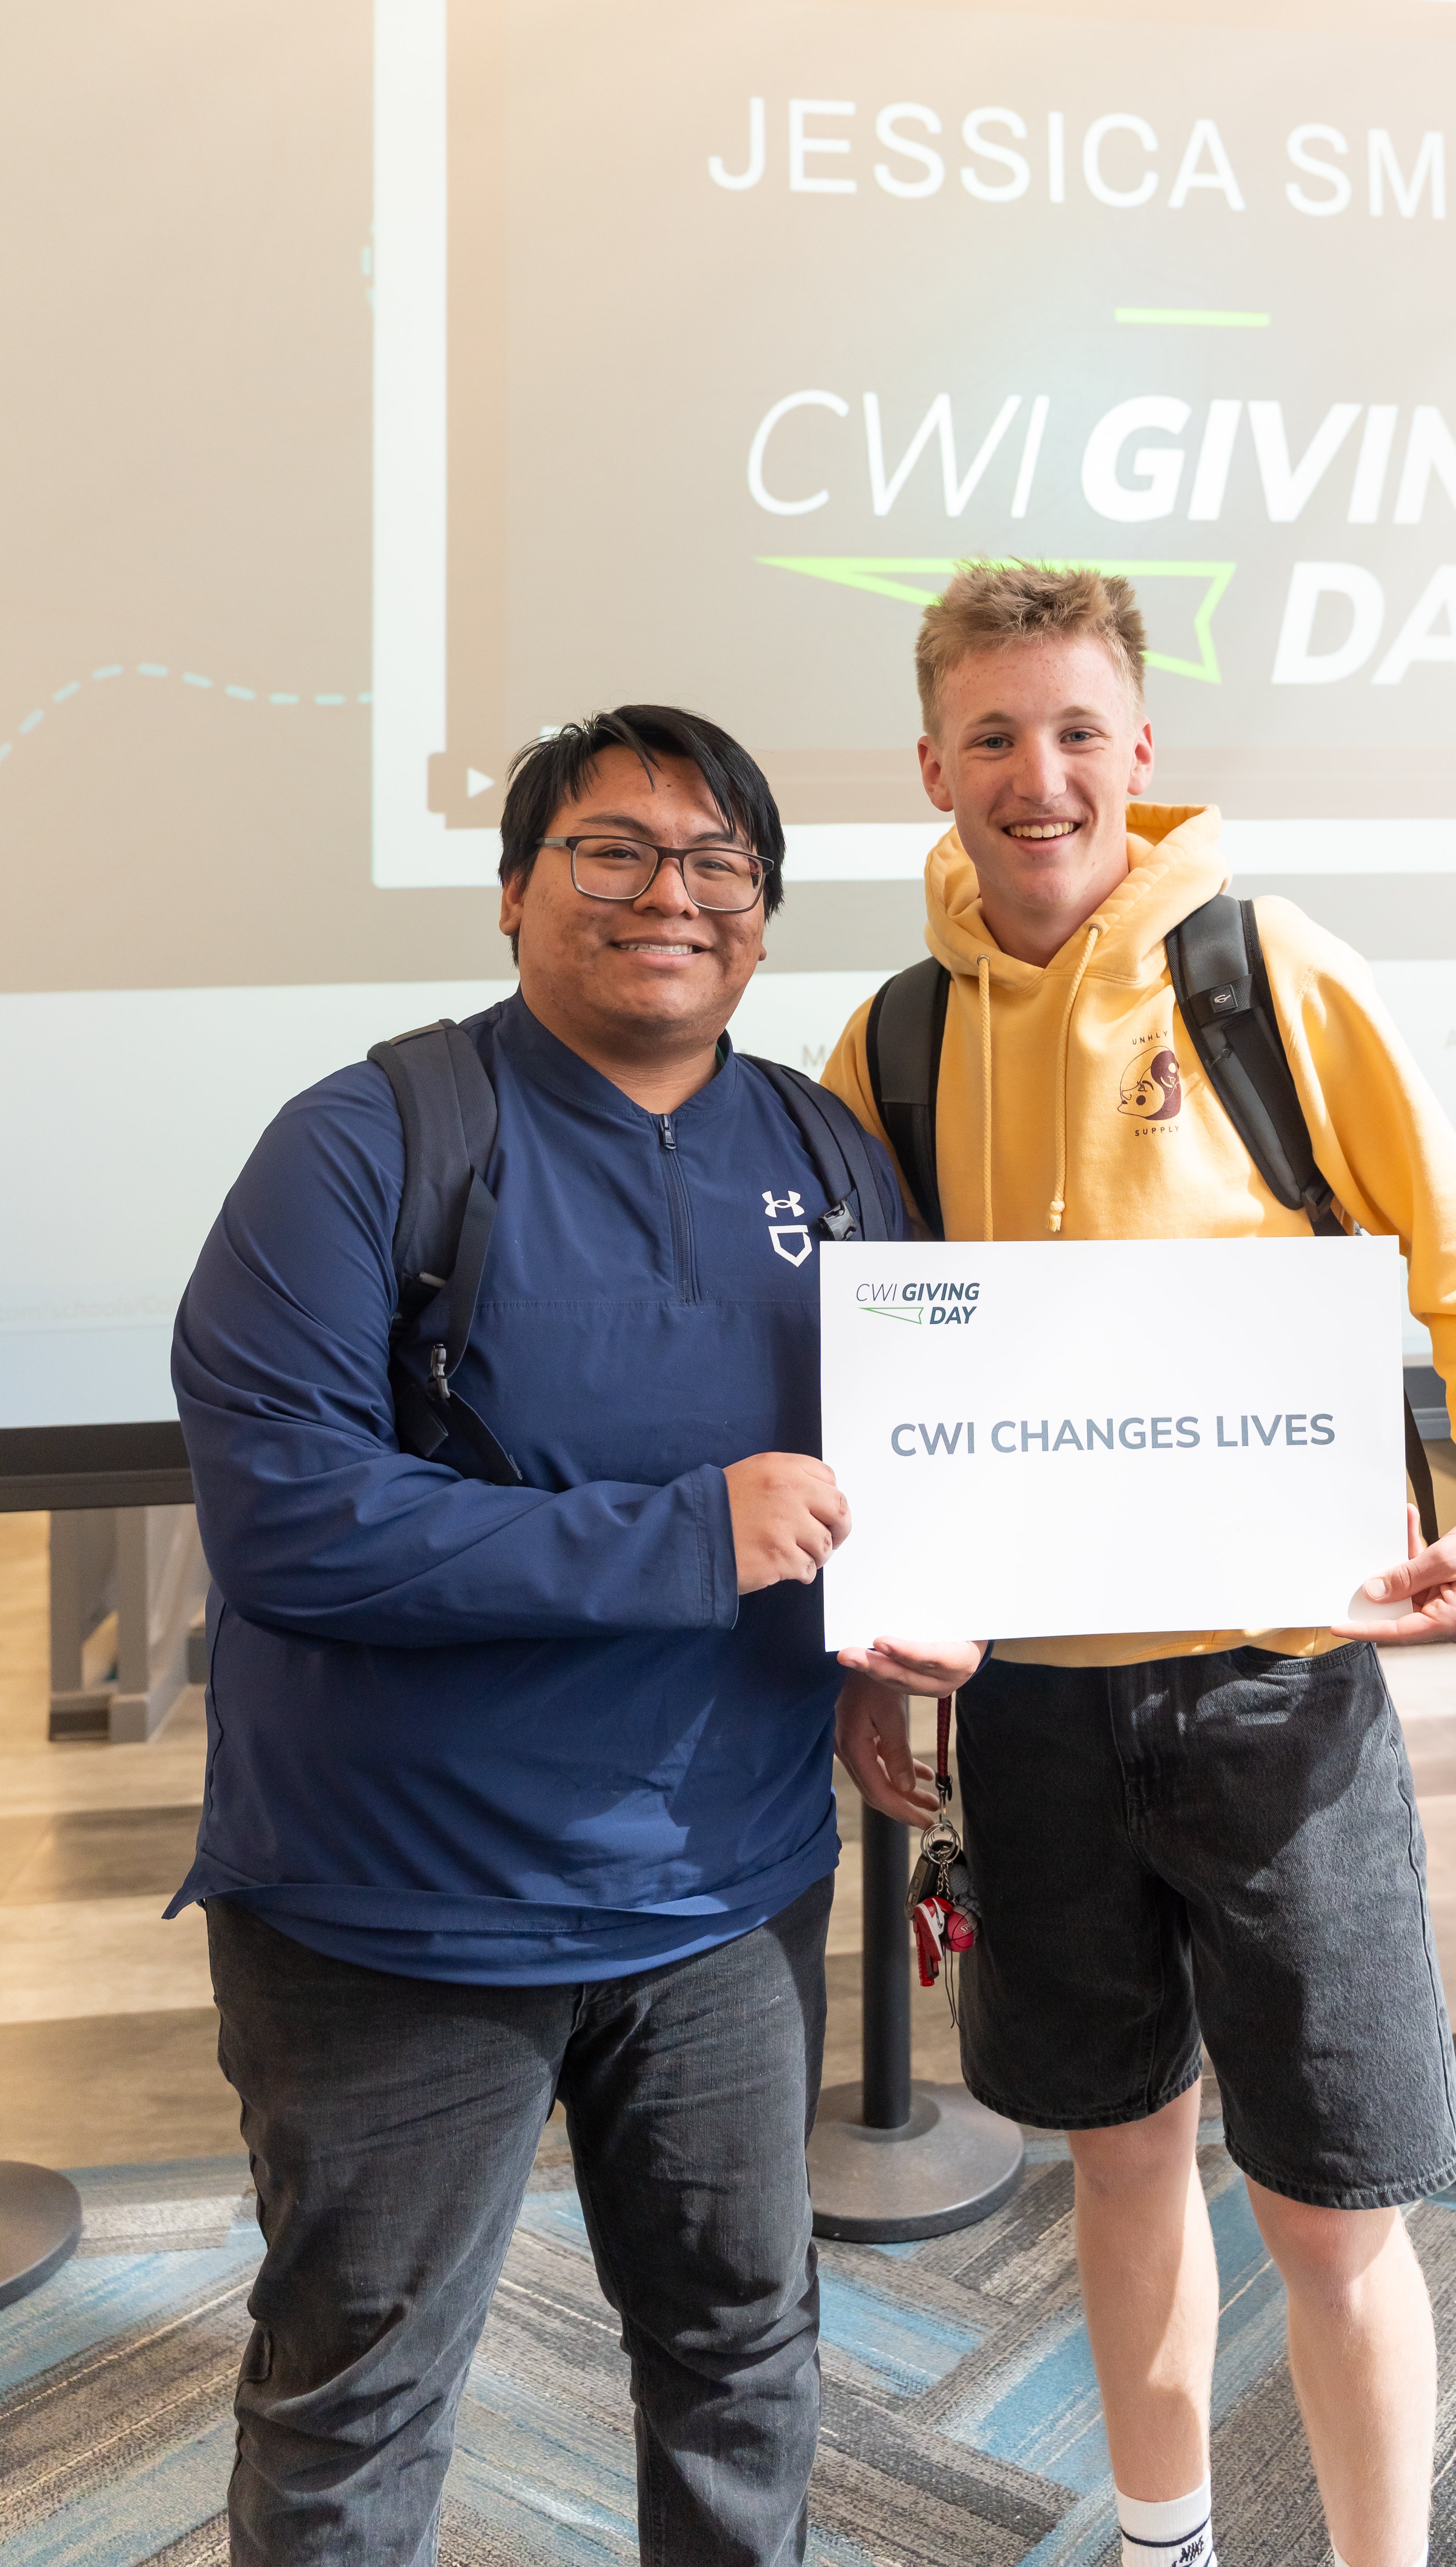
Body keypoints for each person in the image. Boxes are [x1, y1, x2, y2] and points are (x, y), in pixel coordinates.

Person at [822, 565, 1456, 2567]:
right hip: (1031, 1718)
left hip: (1276, 1702)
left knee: (1332, 2212)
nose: (1038, 773)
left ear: (1141, 748)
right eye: (992, 734)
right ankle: (1161, 2543)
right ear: (931, 765)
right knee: (1118, 2164)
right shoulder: (887, 1040)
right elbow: (854, 1382)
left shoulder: (1265, 973)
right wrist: (865, 1647)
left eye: (1076, 728)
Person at [167, 705, 902, 2566]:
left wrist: (899, 1633)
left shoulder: (826, 1154)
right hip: (399, 1910)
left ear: (762, 912)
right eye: (613, 851)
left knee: (743, 2357)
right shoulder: (365, 1144)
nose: (672, 894)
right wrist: (688, 1531)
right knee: (355, 2405)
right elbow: (288, 1523)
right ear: (512, 891)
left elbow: (898, 1465)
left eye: (720, 862)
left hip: (728, 1893)